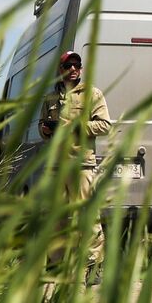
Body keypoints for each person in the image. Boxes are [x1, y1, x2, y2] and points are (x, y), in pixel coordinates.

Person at [39, 51, 113, 281]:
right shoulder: (51, 99)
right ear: (60, 70)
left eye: (77, 65)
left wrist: (77, 127)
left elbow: (104, 125)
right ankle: (57, 266)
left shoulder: (93, 94)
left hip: (82, 165)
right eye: (68, 65)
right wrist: (45, 129)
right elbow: (42, 129)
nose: (73, 69)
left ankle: (93, 267)